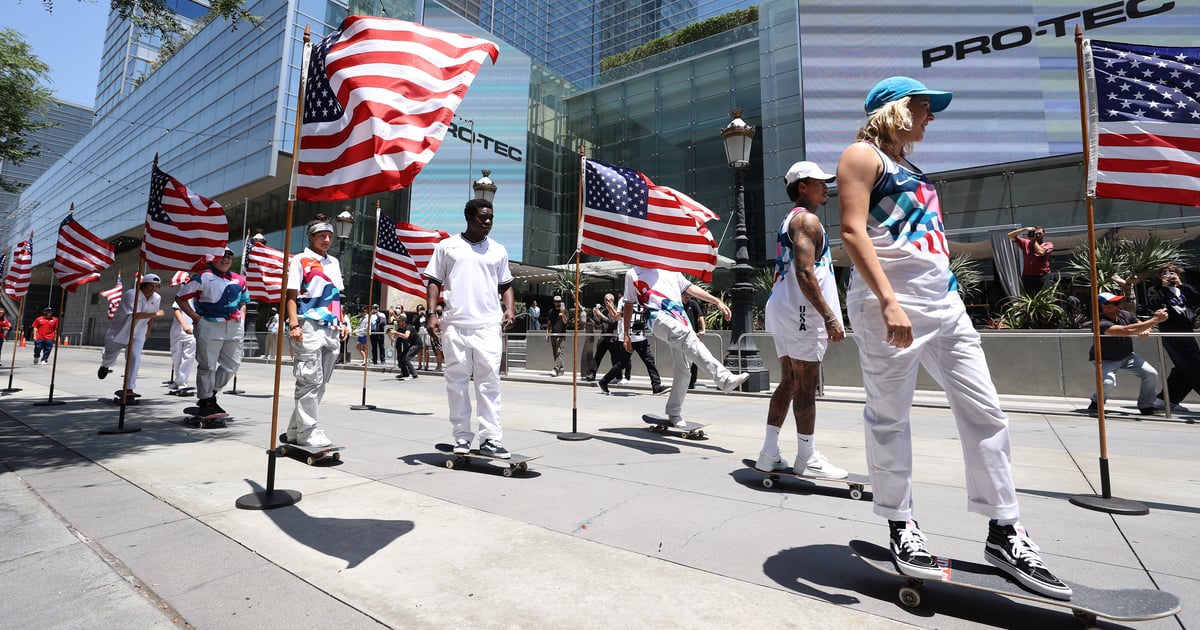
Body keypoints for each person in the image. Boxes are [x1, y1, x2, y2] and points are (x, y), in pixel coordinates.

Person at [836, 76, 1071, 598]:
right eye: (924, 108)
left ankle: (1004, 530)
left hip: (943, 303)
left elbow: (923, 238)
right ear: (895, 110)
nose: (931, 118)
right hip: (889, 303)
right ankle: (901, 525)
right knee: (890, 415)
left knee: (986, 410)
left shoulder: (913, 169)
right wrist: (890, 302)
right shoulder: (861, 156)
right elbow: (852, 231)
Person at [757, 160, 848, 478]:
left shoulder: (791, 219)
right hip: (802, 314)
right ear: (801, 187)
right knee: (807, 388)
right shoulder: (807, 220)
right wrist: (830, 317)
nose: (826, 186)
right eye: (818, 181)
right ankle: (807, 456)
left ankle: (768, 453)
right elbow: (806, 271)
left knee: (790, 381)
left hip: (784, 309)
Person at [424, 198, 516, 459]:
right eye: (482, 217)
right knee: (457, 383)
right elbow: (433, 281)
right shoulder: (447, 247)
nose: (487, 222)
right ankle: (462, 437)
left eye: (491, 218)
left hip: (488, 325)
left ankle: (491, 439)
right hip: (455, 325)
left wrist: (509, 308)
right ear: (468, 217)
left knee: (490, 383)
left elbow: (506, 284)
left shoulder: (498, 250)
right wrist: (432, 314)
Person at [621, 266, 749, 426]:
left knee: (684, 369)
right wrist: (626, 334)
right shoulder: (633, 273)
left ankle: (674, 412)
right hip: (657, 317)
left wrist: (717, 301)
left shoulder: (669, 268)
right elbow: (628, 304)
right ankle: (724, 378)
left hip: (680, 318)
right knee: (687, 336)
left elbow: (691, 288)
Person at [284, 215, 349, 448]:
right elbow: (290, 296)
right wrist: (293, 325)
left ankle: (294, 430)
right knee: (309, 380)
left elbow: (337, 297)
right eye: (322, 235)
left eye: (330, 235)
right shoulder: (300, 260)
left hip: (331, 326)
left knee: (320, 383)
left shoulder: (334, 262)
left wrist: (342, 322)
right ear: (311, 236)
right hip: (308, 324)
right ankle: (308, 432)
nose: (327, 239)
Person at [175, 247, 251, 417]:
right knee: (207, 365)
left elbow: (244, 301)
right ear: (212, 259)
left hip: (234, 326)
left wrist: (242, 318)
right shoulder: (203, 276)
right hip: (209, 324)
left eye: (229, 257)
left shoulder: (239, 280)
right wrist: (196, 318)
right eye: (221, 257)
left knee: (232, 365)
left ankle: (211, 394)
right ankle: (205, 400)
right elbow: (180, 297)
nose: (225, 260)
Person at [1087, 292, 1167, 416]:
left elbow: (1141, 325)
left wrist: (1146, 329)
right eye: (1115, 303)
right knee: (1108, 383)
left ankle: (1146, 406)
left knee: (1151, 374)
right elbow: (1125, 331)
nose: (1119, 305)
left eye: (1119, 302)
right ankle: (1096, 403)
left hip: (1127, 356)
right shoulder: (1099, 322)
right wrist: (1155, 319)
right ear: (1104, 306)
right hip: (1104, 359)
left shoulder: (1124, 314)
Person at [97, 275, 163, 397]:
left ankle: (129, 388)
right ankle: (105, 365)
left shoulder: (156, 297)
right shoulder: (131, 294)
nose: (153, 289)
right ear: (143, 285)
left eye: (156, 286)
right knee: (110, 355)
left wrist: (148, 330)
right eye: (150, 286)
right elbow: (135, 315)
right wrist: (156, 313)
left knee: (135, 357)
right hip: (121, 331)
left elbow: (151, 316)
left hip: (138, 332)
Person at [1146, 264, 1200, 412]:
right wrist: (1164, 288)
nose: (1169, 275)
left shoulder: (1184, 289)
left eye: (1173, 273)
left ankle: (1165, 400)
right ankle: (1167, 400)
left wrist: (1181, 285)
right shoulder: (1155, 290)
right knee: (1195, 366)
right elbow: (1153, 305)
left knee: (1184, 369)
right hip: (1171, 333)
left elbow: (1197, 300)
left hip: (1187, 332)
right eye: (1165, 273)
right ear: (1160, 276)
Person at [1007, 226, 1054, 294]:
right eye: (1035, 233)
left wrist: (1033, 241)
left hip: (1042, 275)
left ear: (1043, 234)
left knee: (1044, 297)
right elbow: (1010, 235)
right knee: (1028, 297)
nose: (1037, 235)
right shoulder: (1026, 242)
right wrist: (1024, 229)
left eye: (1039, 233)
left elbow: (1041, 252)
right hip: (1028, 276)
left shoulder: (1048, 244)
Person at [168, 298, 197, 392]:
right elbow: (176, 310)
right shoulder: (186, 295)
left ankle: (182, 382)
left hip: (193, 331)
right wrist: (184, 325)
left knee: (188, 356)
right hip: (178, 330)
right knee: (176, 355)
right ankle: (178, 380)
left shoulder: (203, 297)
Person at [591, 294, 621, 382]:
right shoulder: (603, 311)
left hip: (613, 338)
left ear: (612, 300)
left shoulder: (616, 311)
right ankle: (592, 374)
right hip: (604, 337)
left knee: (615, 358)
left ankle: (618, 376)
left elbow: (612, 322)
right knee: (597, 357)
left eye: (608, 300)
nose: (607, 302)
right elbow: (598, 324)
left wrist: (600, 315)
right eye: (605, 300)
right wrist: (596, 315)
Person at [681, 292, 706, 389]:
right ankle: (684, 380)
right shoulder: (677, 305)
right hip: (682, 336)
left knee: (694, 359)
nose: (687, 297)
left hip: (693, 336)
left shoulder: (693, 304)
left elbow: (700, 317)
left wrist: (703, 329)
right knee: (683, 359)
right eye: (685, 295)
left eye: (689, 295)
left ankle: (692, 381)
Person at [546, 295, 567, 376]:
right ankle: (561, 369)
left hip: (561, 335)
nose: (557, 303)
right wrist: (547, 334)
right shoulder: (551, 311)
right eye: (556, 302)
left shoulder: (565, 311)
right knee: (555, 354)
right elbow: (549, 324)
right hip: (553, 335)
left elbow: (565, 322)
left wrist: (563, 312)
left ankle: (555, 369)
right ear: (554, 302)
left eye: (559, 302)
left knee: (559, 352)